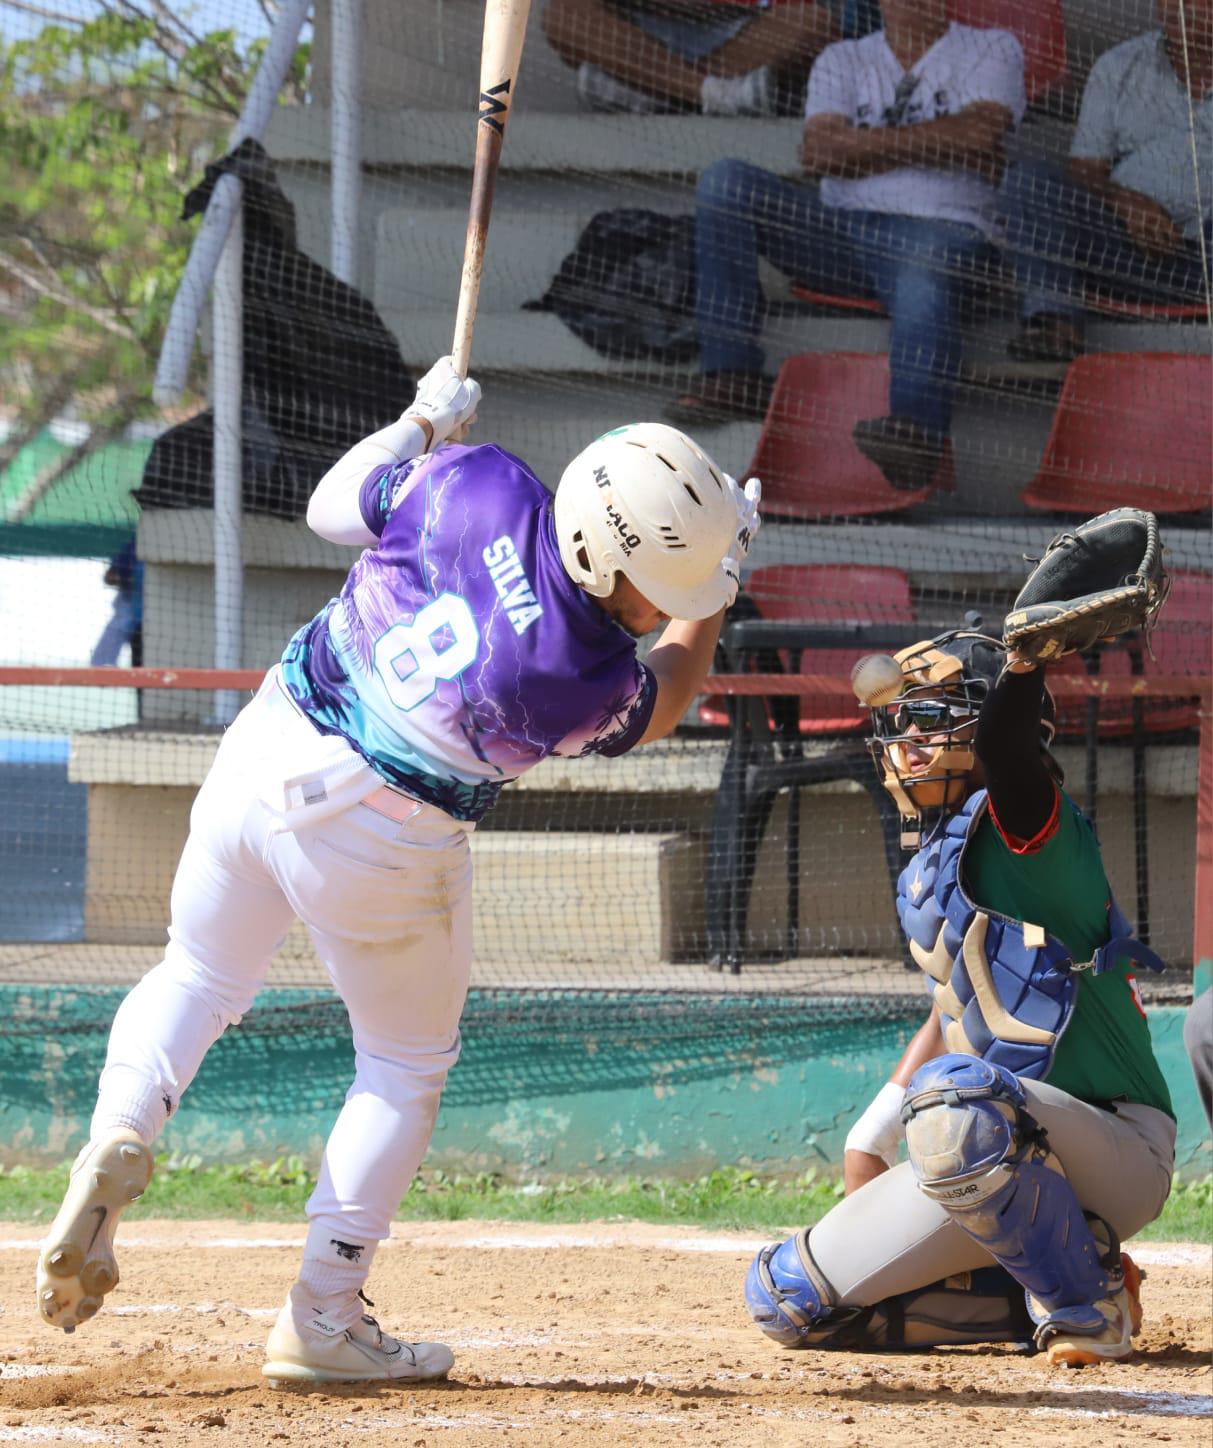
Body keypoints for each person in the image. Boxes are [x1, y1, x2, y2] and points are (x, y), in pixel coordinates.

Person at [36, 357, 761, 1385]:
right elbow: (672, 686)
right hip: (380, 841)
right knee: (402, 1066)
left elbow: (336, 505)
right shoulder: (576, 675)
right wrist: (718, 596)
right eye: (666, 584)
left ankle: (121, 1125)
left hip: (265, 745)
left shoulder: (479, 478)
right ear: (614, 565)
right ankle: (322, 1315)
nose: (667, 604)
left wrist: (421, 423)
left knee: (194, 975)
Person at [744, 622, 1176, 1366]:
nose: (909, 733)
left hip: (1114, 1146)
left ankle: (1087, 1309)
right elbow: (956, 1002)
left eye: (937, 714)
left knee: (953, 1104)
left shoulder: (1030, 826)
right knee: (788, 1299)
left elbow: (1009, 757)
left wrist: (1019, 668)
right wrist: (871, 1135)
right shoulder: (929, 858)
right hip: (998, 1137)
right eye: (904, 714)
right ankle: (1070, 1274)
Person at [667, 0, 1024, 491]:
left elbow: (982, 132)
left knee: (921, 270)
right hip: (842, 234)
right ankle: (731, 372)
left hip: (945, 234)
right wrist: (944, 145)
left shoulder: (992, 47)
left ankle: (916, 436)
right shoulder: (841, 58)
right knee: (726, 183)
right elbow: (819, 153)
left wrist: (859, 147)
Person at [1001, 0, 1212, 362]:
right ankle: (1056, 323)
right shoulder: (1119, 66)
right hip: (1131, 253)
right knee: (1030, 181)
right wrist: (1126, 203)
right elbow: (1085, 171)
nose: (1180, 8)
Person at [542, 0, 838, 118]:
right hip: (641, 25)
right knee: (563, 15)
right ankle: (715, 94)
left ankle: (652, 89)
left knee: (816, 26)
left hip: (738, 30)